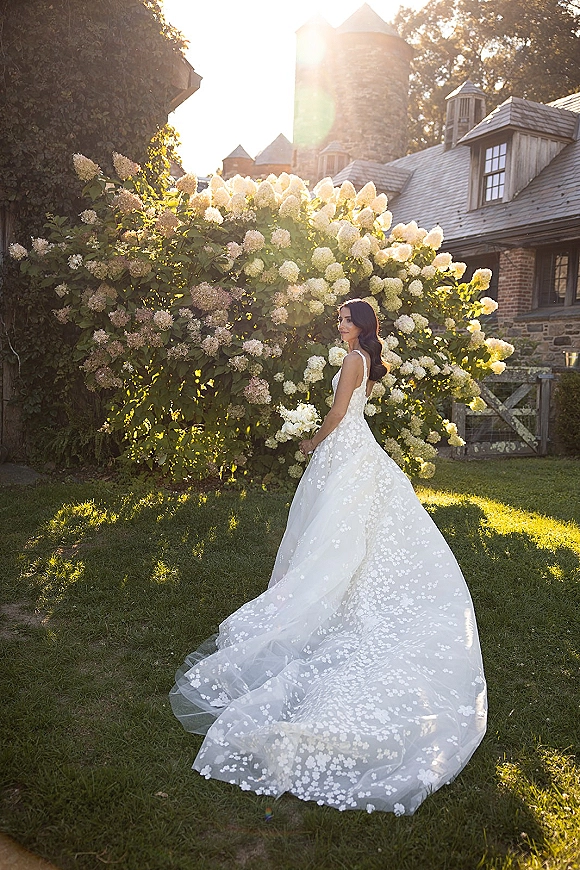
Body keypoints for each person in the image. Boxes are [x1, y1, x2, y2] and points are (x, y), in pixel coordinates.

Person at [170, 298, 487, 815]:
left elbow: (340, 413)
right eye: (338, 320)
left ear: (360, 327)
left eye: (345, 320)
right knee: (347, 531)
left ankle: (330, 594)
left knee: (333, 532)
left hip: (345, 452)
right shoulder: (364, 360)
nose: (339, 326)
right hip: (360, 452)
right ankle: (346, 583)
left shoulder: (351, 360)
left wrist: (311, 442)